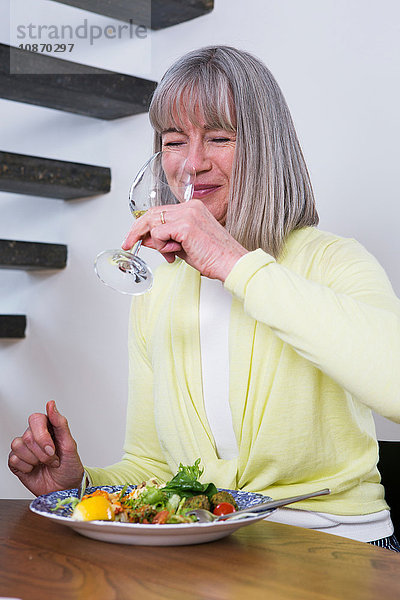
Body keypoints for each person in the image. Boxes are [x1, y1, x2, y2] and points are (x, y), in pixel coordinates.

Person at [8, 46, 400, 550]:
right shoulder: (161, 290)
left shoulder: (333, 262)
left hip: (340, 551)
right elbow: (151, 465)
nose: (192, 163)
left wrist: (233, 264)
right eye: (174, 141)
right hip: (217, 555)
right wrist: (80, 487)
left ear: (267, 149)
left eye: (219, 137)